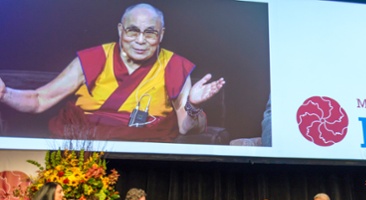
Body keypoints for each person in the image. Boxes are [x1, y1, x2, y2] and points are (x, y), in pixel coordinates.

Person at [0, 3, 225, 142]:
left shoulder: (174, 65)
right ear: (120, 30)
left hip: (145, 148)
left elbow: (186, 128)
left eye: (150, 33)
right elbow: (39, 100)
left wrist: (193, 105)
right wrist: (5, 93)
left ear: (161, 34)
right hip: (86, 147)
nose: (140, 40)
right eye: (132, 30)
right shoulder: (94, 58)